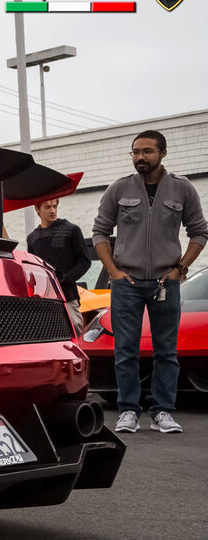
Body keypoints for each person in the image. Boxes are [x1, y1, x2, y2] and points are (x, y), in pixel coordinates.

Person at [92, 129, 208, 434]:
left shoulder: (182, 189)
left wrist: (181, 268)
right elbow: (100, 233)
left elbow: (199, 232)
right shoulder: (118, 189)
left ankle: (163, 412)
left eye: (147, 151)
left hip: (165, 282)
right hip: (126, 283)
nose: (140, 157)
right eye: (135, 152)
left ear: (163, 154)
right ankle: (128, 410)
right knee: (126, 350)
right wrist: (114, 272)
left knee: (166, 351)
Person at [27, 198, 90, 333]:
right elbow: (33, 268)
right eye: (48, 207)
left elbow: (85, 261)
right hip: (45, 299)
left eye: (54, 206)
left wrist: (66, 278)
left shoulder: (71, 230)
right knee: (48, 338)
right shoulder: (32, 238)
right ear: (37, 209)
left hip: (68, 296)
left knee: (75, 331)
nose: (52, 211)